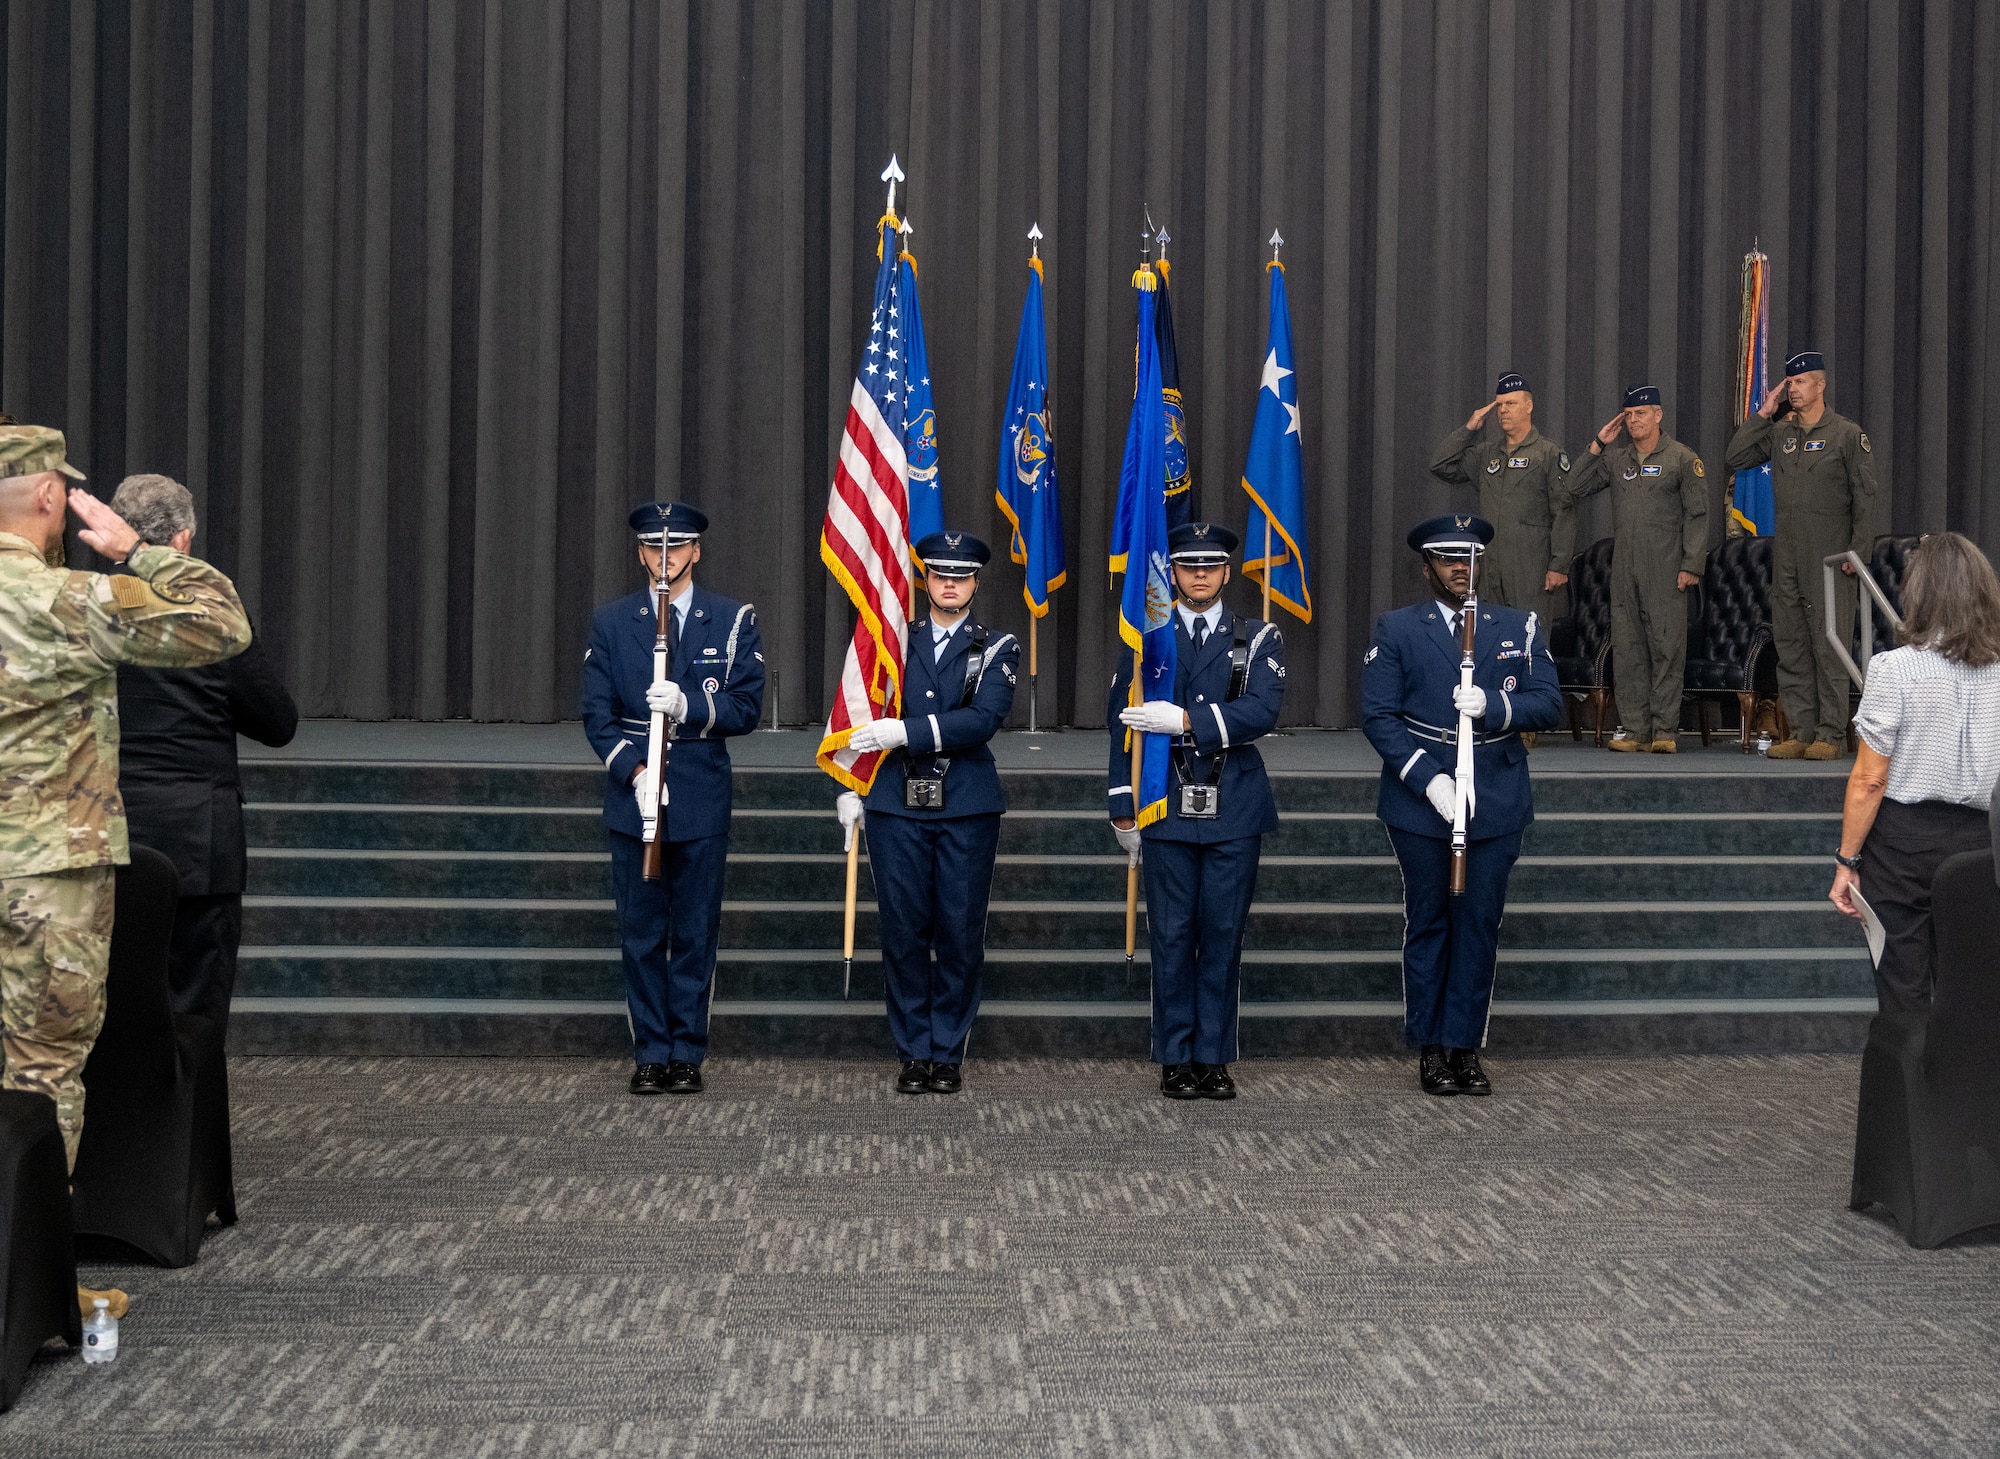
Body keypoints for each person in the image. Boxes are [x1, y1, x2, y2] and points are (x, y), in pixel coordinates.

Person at [0, 424, 251, 1320]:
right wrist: (136, 549)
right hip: (46, 880)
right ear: (47, 499)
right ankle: (33, 1292)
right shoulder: (65, 598)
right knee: (41, 1076)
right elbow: (221, 623)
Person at [1361, 515, 1564, 1096]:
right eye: (1446, 558)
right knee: (1428, 922)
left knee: (1478, 925)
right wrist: (1427, 780)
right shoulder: (1397, 628)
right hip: (1420, 796)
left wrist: (1496, 708)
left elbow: (1549, 703)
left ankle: (1464, 1046)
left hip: (1495, 793)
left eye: (1469, 557)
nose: (1459, 567)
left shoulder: (1516, 625)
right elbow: (1378, 714)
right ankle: (1430, 1047)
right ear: (1427, 566)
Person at [581, 502, 763, 1096]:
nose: (666, 558)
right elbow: (597, 718)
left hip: (700, 793)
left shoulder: (731, 619)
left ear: (695, 552)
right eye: (654, 548)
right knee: (640, 932)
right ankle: (650, 1052)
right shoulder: (612, 623)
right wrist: (634, 773)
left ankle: (687, 1051)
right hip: (635, 798)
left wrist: (691, 707)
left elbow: (745, 708)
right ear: (640, 553)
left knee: (694, 931)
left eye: (677, 547)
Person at [109, 475, 298, 1036]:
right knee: (193, 1015)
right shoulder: (213, 616)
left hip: (104, 831)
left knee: (109, 1011)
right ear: (184, 540)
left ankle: (111, 1126)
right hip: (200, 840)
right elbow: (278, 722)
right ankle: (189, 1124)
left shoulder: (82, 607)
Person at [1108, 521, 1286, 1100]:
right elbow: (1123, 724)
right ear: (1174, 573)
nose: (1200, 574)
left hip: (1232, 800)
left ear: (1227, 572)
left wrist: (1186, 721)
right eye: (1188, 565)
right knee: (1173, 934)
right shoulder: (1146, 638)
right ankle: (1173, 1055)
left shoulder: (1258, 637)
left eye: (1211, 565)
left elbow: (1262, 711)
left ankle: (1213, 1055)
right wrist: (1122, 807)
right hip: (1163, 800)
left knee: (1223, 933)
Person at [836, 531, 1018, 1095]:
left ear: (975, 583)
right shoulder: (892, 639)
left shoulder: (998, 646)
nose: (948, 583)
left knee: (960, 931)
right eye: (939, 574)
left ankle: (948, 1050)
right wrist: (847, 780)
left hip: (965, 805)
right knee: (904, 931)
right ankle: (915, 1050)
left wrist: (908, 732)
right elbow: (859, 707)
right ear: (924, 580)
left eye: (960, 576)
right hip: (894, 800)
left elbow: (982, 720)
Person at [1829, 533, 2000, 1011]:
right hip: (1983, 844)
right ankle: (1969, 1087)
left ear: (1918, 593)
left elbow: (1869, 780)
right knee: (1973, 992)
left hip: (1902, 847)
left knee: (1901, 989)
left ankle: (1905, 1086)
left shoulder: (1893, 670)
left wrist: (1846, 862)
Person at [1724, 350, 1878, 760]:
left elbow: (1865, 498)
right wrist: (1764, 414)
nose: (1793, 388)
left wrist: (1858, 553)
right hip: (1787, 555)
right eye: (1789, 382)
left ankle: (1830, 732)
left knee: (1829, 646)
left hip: (1829, 556)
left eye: (1801, 382)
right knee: (1791, 644)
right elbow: (1736, 458)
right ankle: (1801, 730)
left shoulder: (1847, 435)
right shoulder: (1781, 433)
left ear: (1821, 385)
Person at [1563, 385, 1708, 752]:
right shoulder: (1617, 460)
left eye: (1640, 413)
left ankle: (1664, 731)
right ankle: (1635, 728)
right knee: (1628, 650)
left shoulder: (1681, 459)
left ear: (1658, 415)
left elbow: (1698, 515)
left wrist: (1692, 563)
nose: (1633, 421)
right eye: (1628, 415)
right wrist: (1598, 442)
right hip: (1624, 569)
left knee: (1665, 647)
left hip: (1666, 567)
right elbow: (1573, 486)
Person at [1429, 370, 1578, 630]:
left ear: (1528, 406)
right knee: (1491, 641)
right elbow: (1441, 465)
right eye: (1499, 405)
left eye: (1511, 403)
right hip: (1490, 568)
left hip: (1531, 567)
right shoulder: (1487, 454)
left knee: (1531, 642)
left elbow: (1564, 511)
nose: (1503, 411)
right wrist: (1470, 428)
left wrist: (1559, 565)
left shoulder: (1548, 453)